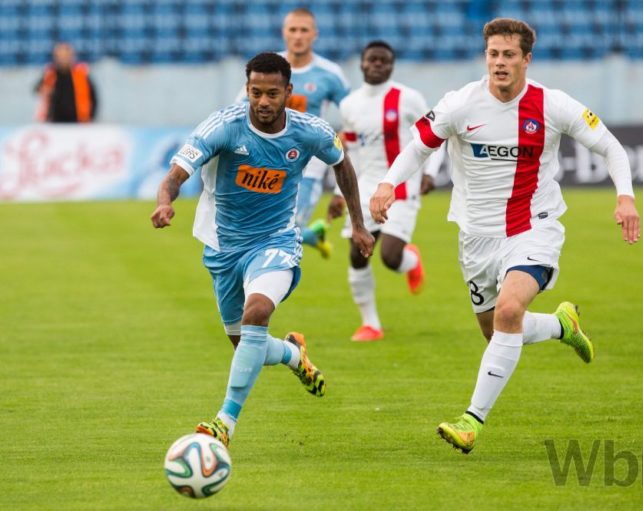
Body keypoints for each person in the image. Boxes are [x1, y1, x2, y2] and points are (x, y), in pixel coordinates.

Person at [370, 18, 640, 453]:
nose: (499, 62)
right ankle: (561, 325)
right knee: (495, 330)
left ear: (526, 59)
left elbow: (609, 146)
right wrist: (388, 184)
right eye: (493, 54)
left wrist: (625, 197)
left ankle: (471, 421)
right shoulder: (461, 104)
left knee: (509, 311)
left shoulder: (552, 105)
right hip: (476, 236)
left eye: (509, 55)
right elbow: (419, 146)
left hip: (534, 226)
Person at [151, 53, 374, 447]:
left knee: (256, 313)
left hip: (276, 240)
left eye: (273, 93)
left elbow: (342, 164)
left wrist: (358, 224)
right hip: (223, 245)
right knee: (245, 344)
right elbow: (176, 174)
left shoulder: (309, 131)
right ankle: (292, 354)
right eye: (256, 93)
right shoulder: (224, 126)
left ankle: (225, 422)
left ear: (289, 91)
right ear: (247, 90)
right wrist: (165, 202)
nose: (264, 101)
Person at [327, 40, 441, 342]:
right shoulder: (350, 104)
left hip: (401, 187)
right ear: (362, 64)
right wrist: (339, 192)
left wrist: (430, 173)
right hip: (364, 188)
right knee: (357, 255)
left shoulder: (408, 98)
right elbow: (348, 151)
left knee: (390, 257)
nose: (377, 64)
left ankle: (410, 260)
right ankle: (371, 324)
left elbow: (436, 134)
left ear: (391, 66)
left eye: (384, 60)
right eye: (372, 59)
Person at [276, 7, 351, 258]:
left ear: (314, 34)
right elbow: (241, 107)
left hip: (309, 162)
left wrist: (345, 133)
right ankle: (311, 235)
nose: (298, 36)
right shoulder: (269, 68)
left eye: (304, 30)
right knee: (270, 228)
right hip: (269, 156)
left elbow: (353, 114)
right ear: (284, 32)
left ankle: (277, 274)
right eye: (293, 30)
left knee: (291, 226)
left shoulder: (329, 74)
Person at [34, 42, 98, 123]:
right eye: (60, 56)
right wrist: (45, 90)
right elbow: (37, 89)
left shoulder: (81, 75)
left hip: (78, 122)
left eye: (65, 56)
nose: (63, 59)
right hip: (54, 122)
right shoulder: (50, 74)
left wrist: (90, 117)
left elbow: (93, 98)